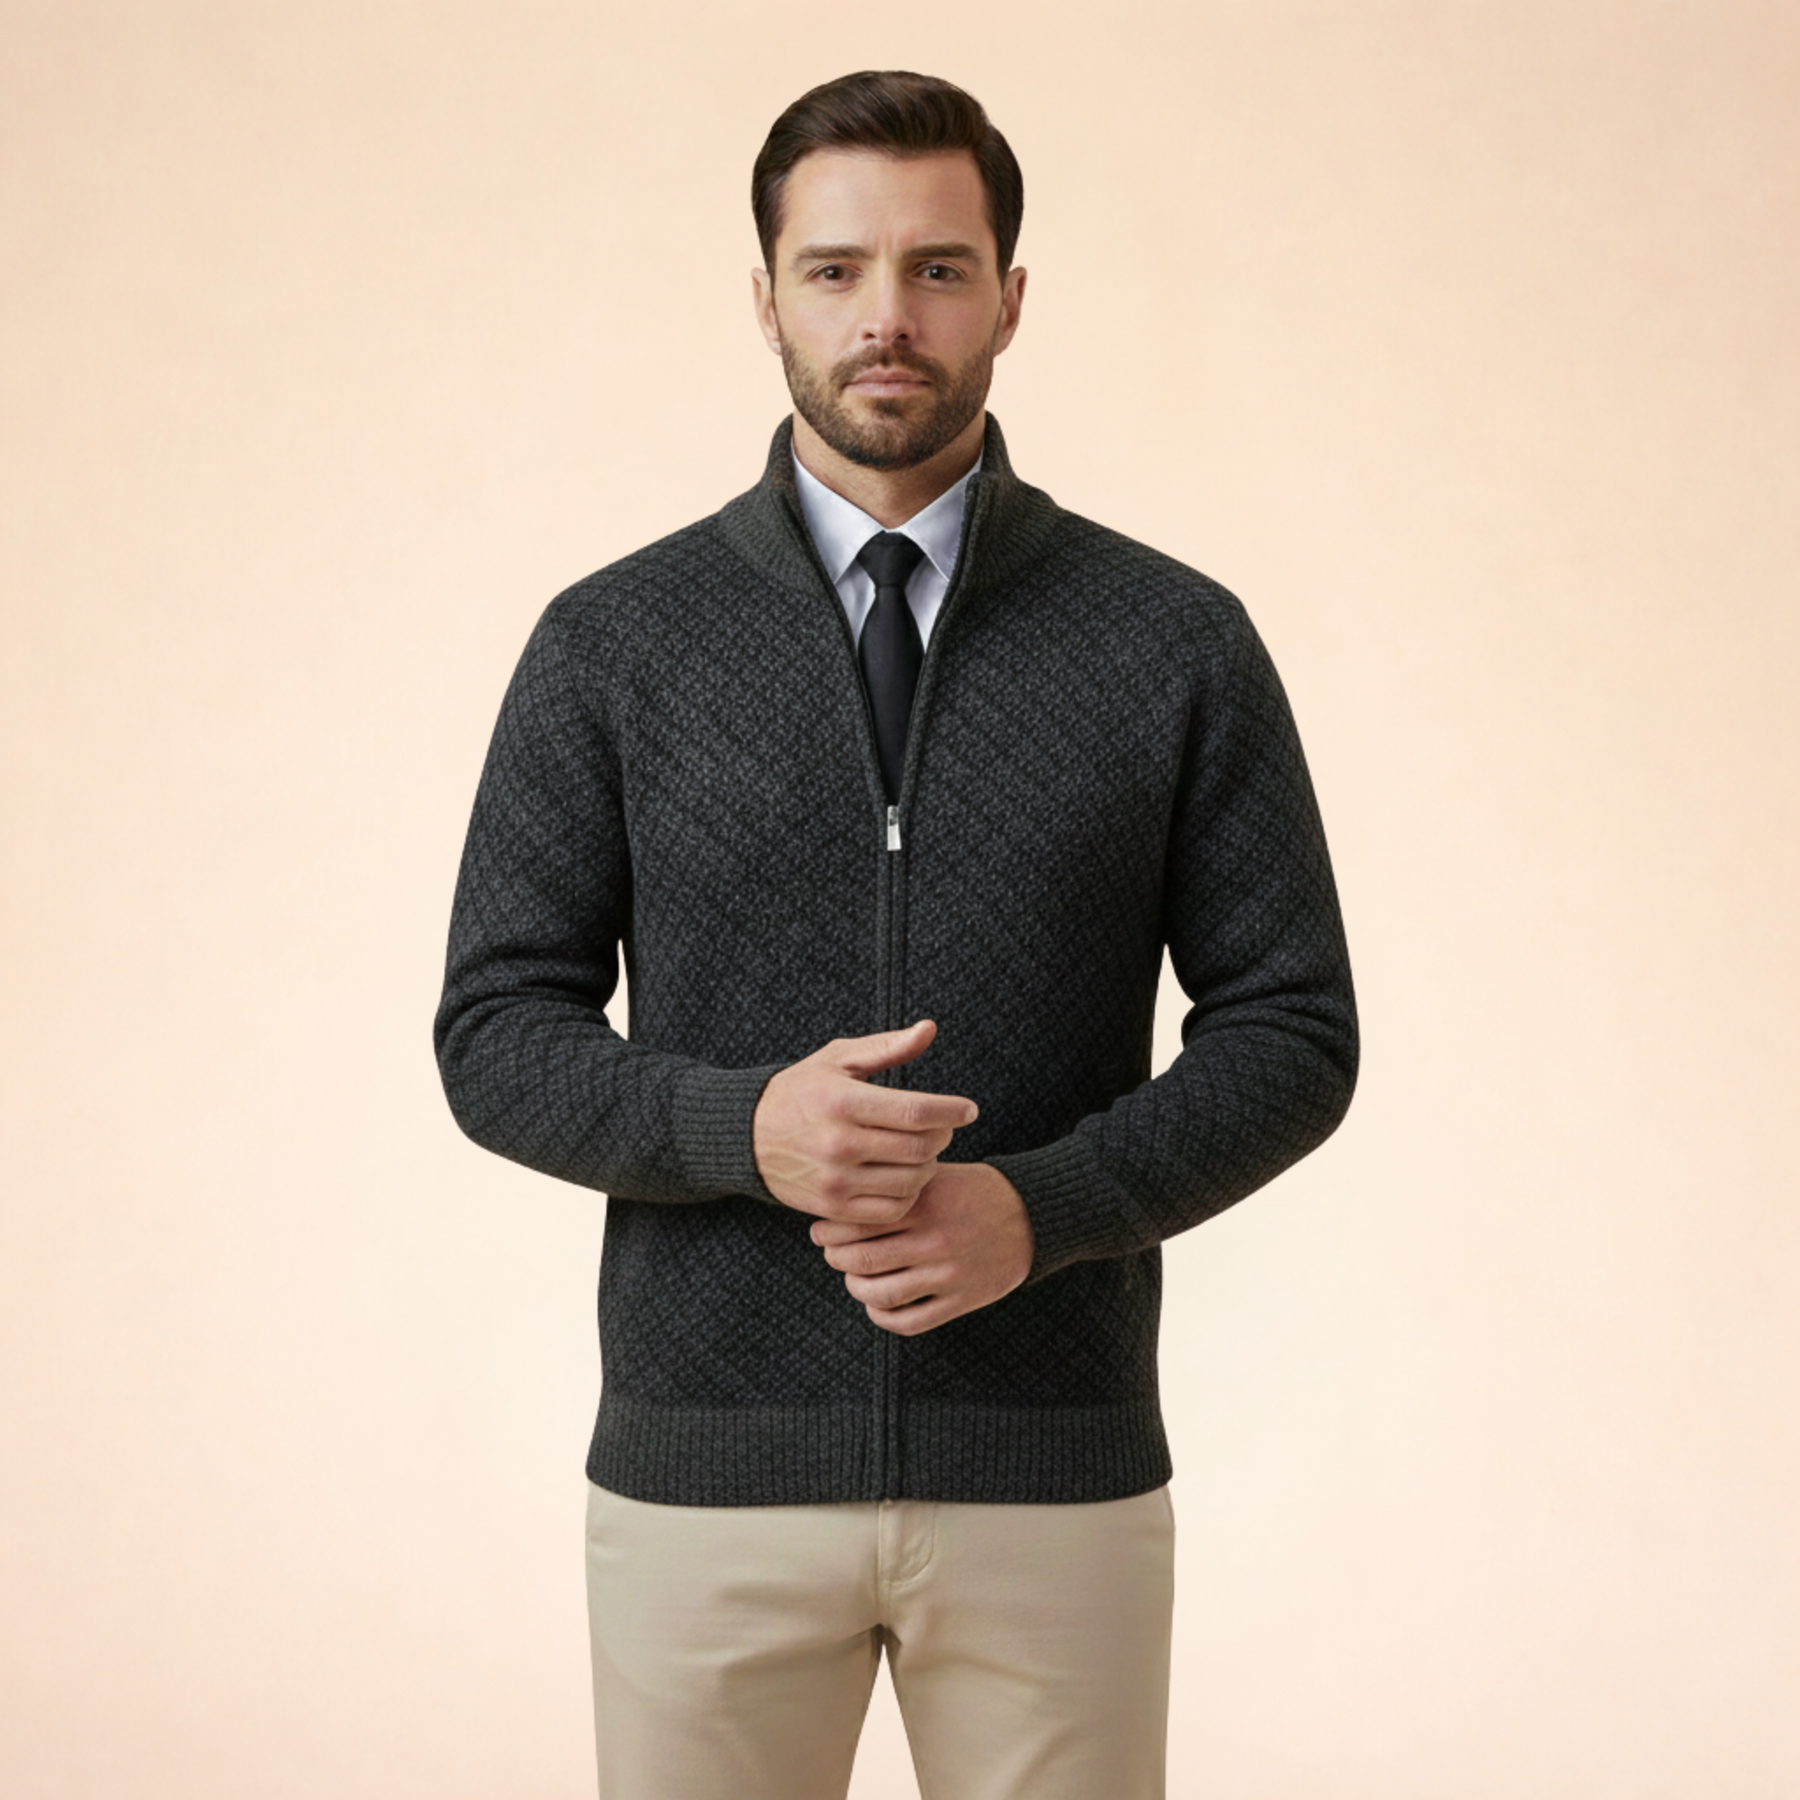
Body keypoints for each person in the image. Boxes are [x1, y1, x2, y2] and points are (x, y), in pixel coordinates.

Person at [434, 68, 1357, 1800]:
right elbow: (494, 1030)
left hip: (1054, 1475)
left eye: (939, 268)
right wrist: (743, 1128)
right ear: (766, 297)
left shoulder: (1173, 641)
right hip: (705, 1483)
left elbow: (1294, 1030)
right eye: (836, 268)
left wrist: (1040, 1209)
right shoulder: (613, 643)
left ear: (1011, 297)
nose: (887, 317)